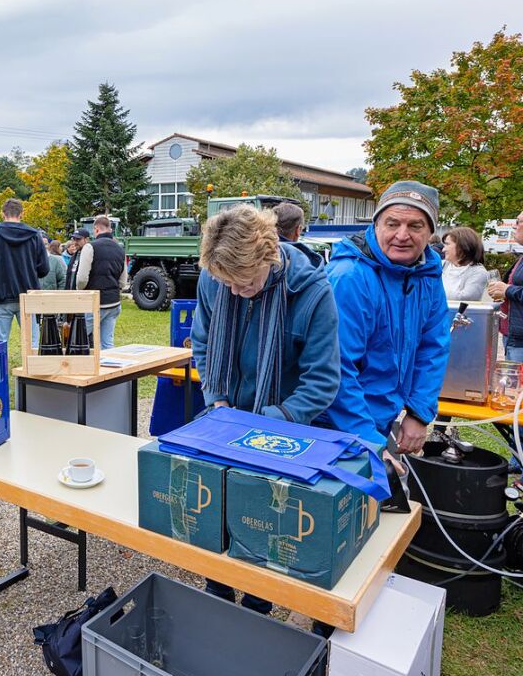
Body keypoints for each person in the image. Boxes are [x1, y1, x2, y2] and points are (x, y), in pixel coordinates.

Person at [191, 205, 341, 614]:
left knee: (264, 518)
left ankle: (259, 603)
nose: (235, 293)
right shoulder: (215, 278)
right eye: (228, 285)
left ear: (269, 256)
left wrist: (268, 422)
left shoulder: (311, 293)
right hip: (225, 415)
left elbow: (323, 380)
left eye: (245, 284)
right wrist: (216, 399)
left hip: (279, 427)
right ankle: (217, 589)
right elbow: (202, 343)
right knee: (216, 509)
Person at [321, 180, 450, 460]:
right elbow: (336, 368)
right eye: (392, 224)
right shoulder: (350, 277)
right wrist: (369, 442)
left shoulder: (426, 274)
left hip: (377, 421)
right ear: (376, 225)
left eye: (415, 226)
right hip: (332, 426)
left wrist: (418, 412)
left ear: (431, 232)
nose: (402, 235)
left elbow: (433, 346)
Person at [0, 198, 49, 342]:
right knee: (32, 343)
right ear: (21, 214)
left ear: (3, 214)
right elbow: (44, 268)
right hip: (28, 293)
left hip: (1, 295)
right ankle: (32, 366)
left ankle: (0, 366)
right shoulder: (34, 235)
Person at [75, 215, 127, 349]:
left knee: (78, 339)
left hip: (94, 302)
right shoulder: (120, 249)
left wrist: (80, 291)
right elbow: (123, 281)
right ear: (110, 229)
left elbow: (81, 278)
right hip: (113, 302)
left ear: (96, 230)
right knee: (107, 343)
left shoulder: (89, 247)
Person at [488, 209, 523, 361]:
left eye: (518, 222)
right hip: (512, 336)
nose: (514, 226)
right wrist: (501, 292)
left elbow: (511, 290)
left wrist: (507, 290)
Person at [441, 227, 489, 301]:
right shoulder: (441, 265)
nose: (443, 249)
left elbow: (466, 297)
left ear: (462, 246)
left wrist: (431, 294)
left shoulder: (478, 272)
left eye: (447, 244)